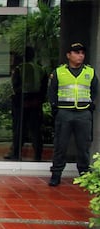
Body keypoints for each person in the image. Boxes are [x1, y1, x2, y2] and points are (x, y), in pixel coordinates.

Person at [48, 42, 98, 186]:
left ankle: (84, 175)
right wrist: (55, 107)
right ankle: (56, 175)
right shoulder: (59, 72)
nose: (80, 55)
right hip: (64, 113)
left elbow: (95, 90)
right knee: (60, 145)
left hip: (83, 114)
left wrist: (90, 105)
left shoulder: (90, 72)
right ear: (68, 55)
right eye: (76, 53)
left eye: (82, 53)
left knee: (83, 146)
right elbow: (52, 92)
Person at [4, 46, 47, 161]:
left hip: (22, 101)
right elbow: (44, 87)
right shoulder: (40, 69)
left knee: (19, 129)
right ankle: (38, 155)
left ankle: (16, 154)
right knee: (36, 130)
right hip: (36, 101)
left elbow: (15, 85)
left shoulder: (19, 69)